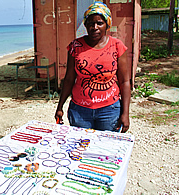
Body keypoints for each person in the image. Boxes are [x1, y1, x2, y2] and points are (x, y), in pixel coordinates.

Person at [55, 2, 130, 133]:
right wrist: (60, 106)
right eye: (90, 23)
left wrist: (125, 113)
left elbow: (124, 82)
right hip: (80, 111)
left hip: (109, 111)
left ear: (107, 24)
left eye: (99, 23)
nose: (94, 27)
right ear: (85, 24)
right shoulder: (75, 46)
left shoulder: (117, 46)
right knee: (80, 147)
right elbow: (69, 79)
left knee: (105, 148)